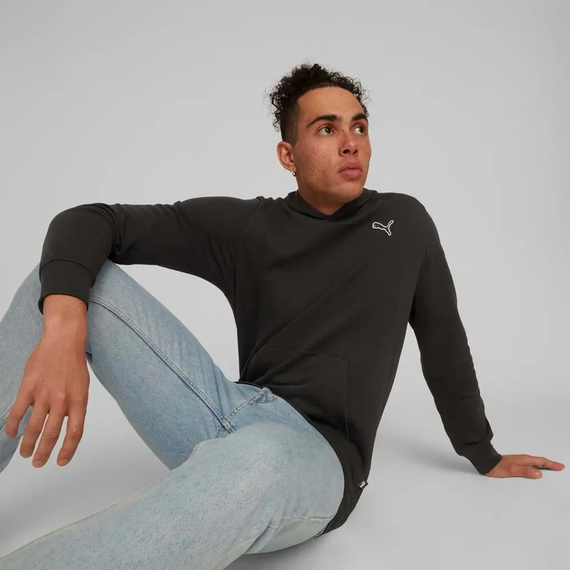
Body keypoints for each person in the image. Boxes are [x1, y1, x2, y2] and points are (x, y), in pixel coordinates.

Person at [0, 62, 564, 569]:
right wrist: (63, 332)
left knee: (260, 455)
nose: (351, 143)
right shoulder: (250, 229)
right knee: (60, 285)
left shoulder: (404, 223)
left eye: (359, 126)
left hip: (316, 459)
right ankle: (210, 486)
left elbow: (444, 341)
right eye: (327, 129)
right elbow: (90, 221)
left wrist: (481, 451)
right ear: (288, 155)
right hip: (226, 411)